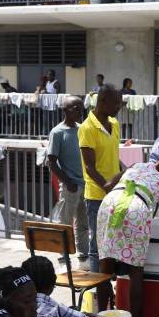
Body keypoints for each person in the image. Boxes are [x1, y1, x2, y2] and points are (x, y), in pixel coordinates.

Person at [96, 152, 159, 317]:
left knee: (105, 267)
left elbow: (107, 186)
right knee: (135, 271)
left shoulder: (136, 167)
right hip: (136, 209)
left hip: (109, 203)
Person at [79, 84, 127, 272]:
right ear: (103, 102)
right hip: (97, 196)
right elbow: (89, 167)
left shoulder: (114, 124)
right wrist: (107, 185)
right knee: (97, 245)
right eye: (116, 103)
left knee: (115, 241)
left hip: (116, 193)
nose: (119, 107)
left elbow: (113, 155)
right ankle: (97, 284)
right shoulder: (87, 127)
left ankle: (109, 279)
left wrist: (125, 170)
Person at [48, 95, 90, 261]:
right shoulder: (57, 132)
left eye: (81, 109)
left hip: (85, 184)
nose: (80, 112)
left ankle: (83, 256)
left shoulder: (82, 129)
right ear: (65, 110)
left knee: (83, 224)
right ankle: (63, 257)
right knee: (65, 224)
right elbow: (51, 162)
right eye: (76, 108)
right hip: (69, 186)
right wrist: (68, 182)